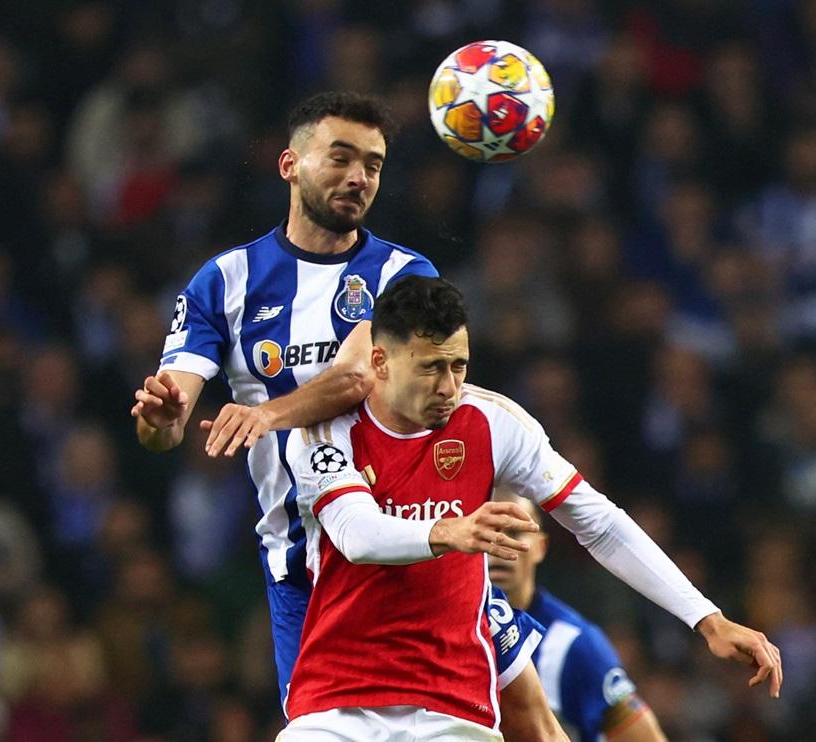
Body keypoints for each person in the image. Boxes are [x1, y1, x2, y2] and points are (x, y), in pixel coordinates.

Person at [128, 91, 554, 731]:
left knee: (525, 717)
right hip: (303, 562)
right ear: (289, 165)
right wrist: (161, 420)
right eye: (341, 158)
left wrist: (268, 415)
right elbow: (169, 414)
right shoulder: (226, 280)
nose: (359, 177)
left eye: (373, 166)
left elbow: (359, 374)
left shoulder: (403, 274)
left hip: (419, 547)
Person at [279, 275, 782, 740]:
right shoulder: (327, 431)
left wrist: (707, 618)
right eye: (430, 368)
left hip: (452, 708)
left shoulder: (491, 421)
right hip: (337, 703)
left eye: (458, 366)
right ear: (381, 362)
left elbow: (600, 523)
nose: (448, 387)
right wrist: (448, 531)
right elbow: (356, 534)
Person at [490, 491, 667, 741]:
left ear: (541, 546)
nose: (499, 547)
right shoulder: (441, 631)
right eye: (489, 533)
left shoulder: (574, 643)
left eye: (515, 533)